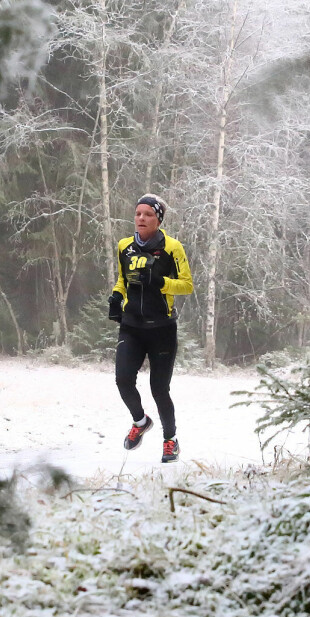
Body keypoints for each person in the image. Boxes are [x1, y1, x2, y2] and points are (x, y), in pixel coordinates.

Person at [108, 194, 193, 463]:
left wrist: (159, 282)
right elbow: (123, 280)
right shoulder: (124, 246)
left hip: (162, 329)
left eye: (147, 214)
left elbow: (187, 285)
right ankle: (140, 421)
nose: (141, 218)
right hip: (132, 326)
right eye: (138, 214)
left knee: (159, 389)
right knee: (122, 379)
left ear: (158, 219)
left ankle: (170, 440)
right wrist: (116, 296)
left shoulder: (172, 248)